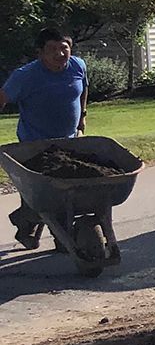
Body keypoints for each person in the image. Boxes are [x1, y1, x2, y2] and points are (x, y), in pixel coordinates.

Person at [1, 27, 89, 249]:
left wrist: (82, 117)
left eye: (64, 48)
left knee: (66, 188)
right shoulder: (25, 76)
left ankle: (41, 225)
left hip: (68, 140)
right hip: (34, 143)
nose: (59, 54)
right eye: (52, 49)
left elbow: (84, 88)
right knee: (39, 190)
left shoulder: (78, 65)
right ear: (40, 52)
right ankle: (30, 222)